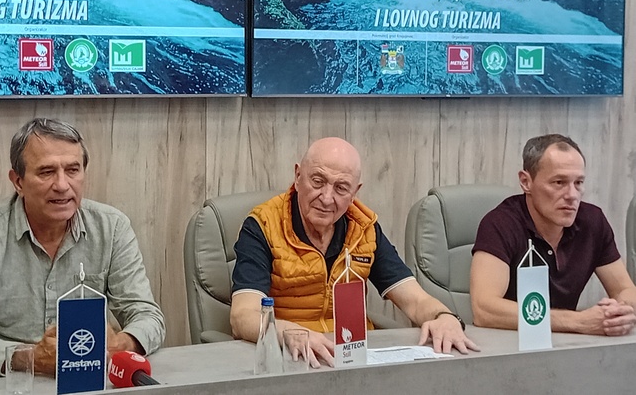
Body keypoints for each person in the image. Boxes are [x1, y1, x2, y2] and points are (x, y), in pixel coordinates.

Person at [0, 118, 166, 375]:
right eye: (46, 172)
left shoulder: (112, 227)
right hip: (10, 382)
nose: (62, 185)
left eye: (73, 170)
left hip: (87, 378)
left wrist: (119, 344)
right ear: (18, 182)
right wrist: (29, 358)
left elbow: (148, 317)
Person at [230, 137, 478, 368]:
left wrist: (444, 317)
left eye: (341, 188)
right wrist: (292, 334)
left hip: (352, 360)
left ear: (354, 193)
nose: (327, 198)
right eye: (317, 181)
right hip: (291, 358)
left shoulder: (363, 228)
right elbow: (243, 316)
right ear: (297, 176)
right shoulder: (263, 225)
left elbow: (415, 300)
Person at [471, 134, 636, 335]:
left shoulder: (593, 221)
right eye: (559, 182)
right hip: (509, 343)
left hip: (567, 345)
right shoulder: (500, 223)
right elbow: (484, 310)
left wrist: (621, 312)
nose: (572, 195)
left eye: (578, 183)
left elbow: (624, 290)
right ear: (526, 182)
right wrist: (578, 321)